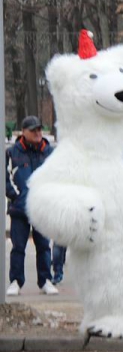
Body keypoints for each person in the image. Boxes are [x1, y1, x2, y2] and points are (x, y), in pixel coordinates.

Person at [5, 116, 58, 296]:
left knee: (44, 246)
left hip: (42, 209)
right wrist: (15, 195)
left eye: (39, 129)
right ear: (24, 132)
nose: (38, 133)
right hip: (20, 209)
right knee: (18, 247)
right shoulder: (12, 153)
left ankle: (46, 281)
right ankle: (15, 281)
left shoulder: (49, 152)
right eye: (33, 130)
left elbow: (57, 177)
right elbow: (5, 178)